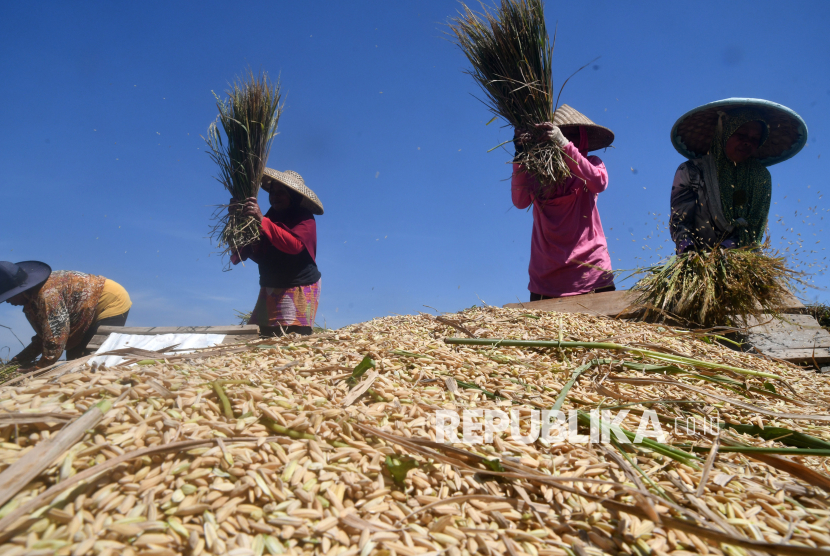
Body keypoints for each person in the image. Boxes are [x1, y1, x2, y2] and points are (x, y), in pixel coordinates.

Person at [669, 98, 808, 253]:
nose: (748, 142)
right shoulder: (691, 171)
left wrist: (725, 252)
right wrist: (690, 254)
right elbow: (680, 222)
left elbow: (754, 227)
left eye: (755, 139)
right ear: (725, 132)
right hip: (696, 256)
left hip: (739, 256)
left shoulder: (760, 177)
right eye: (741, 134)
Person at [511, 104, 616, 301]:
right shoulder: (537, 172)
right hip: (546, 279)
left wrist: (564, 144)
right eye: (562, 134)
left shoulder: (591, 163)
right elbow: (519, 201)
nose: (568, 139)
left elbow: (599, 182)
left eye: (572, 135)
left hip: (590, 274)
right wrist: (520, 155)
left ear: (582, 138)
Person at [231, 168, 323, 336]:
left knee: (291, 337)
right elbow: (258, 251)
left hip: (299, 287)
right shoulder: (269, 217)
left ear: (293, 196)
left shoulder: (304, 218)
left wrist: (261, 220)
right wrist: (237, 221)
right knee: (261, 335)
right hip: (271, 286)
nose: (274, 196)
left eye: (281, 192)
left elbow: (294, 245)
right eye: (272, 192)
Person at [1, 261, 132, 370]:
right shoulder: (32, 304)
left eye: (9, 296)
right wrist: (18, 361)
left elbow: (55, 339)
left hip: (108, 300)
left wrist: (38, 369)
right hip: (82, 313)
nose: (7, 301)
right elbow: (44, 337)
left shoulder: (47, 295)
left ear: (21, 291)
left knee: (89, 360)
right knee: (74, 361)